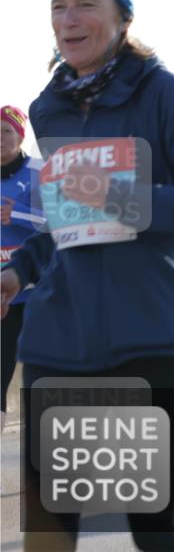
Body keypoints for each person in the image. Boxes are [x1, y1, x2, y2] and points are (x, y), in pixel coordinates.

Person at [0, 0, 174, 552]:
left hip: (150, 342)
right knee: (48, 531)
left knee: (152, 532)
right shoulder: (47, 106)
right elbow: (70, 220)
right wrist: (20, 270)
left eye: (86, 4)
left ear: (123, 16)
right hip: (59, 343)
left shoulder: (163, 92)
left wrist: (125, 198)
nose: (68, 19)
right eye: (58, 6)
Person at [1, 106, 43, 436]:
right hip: (4, 296)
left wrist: (19, 215)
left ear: (20, 136)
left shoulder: (39, 172)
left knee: (42, 379)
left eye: (6, 131)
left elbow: (59, 223)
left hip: (39, 290)